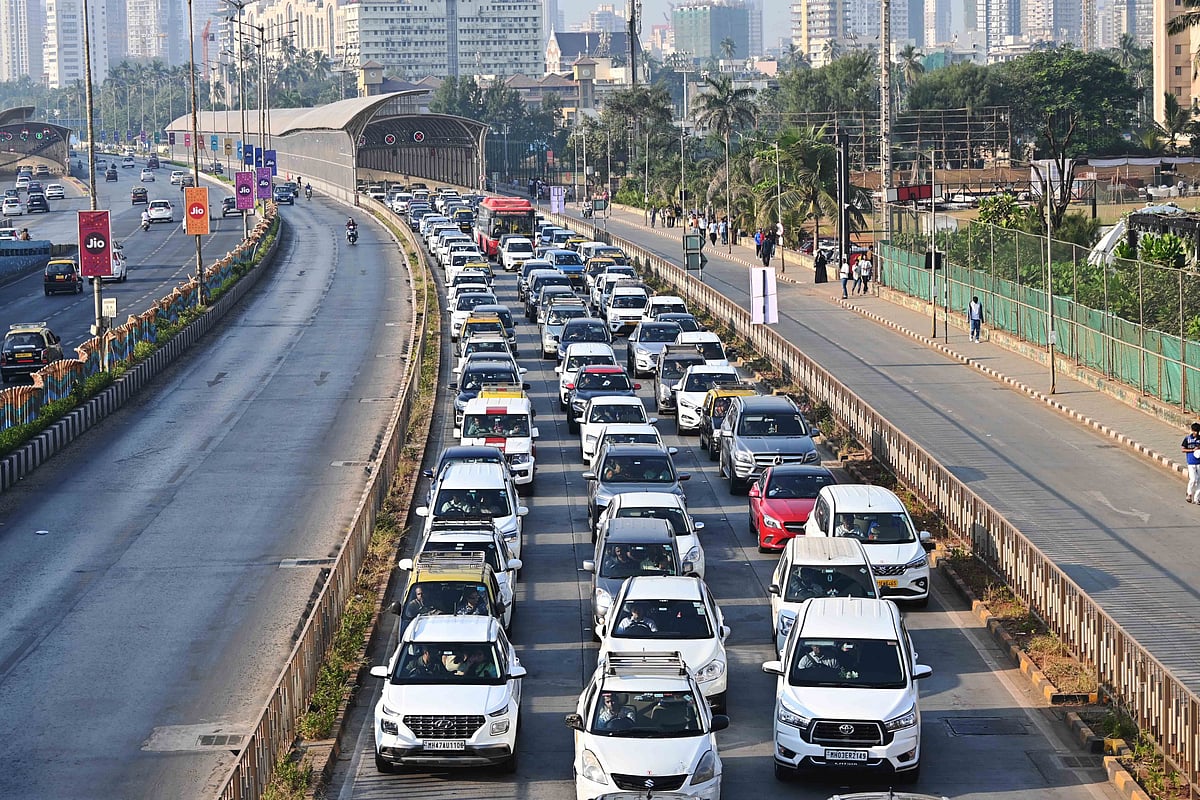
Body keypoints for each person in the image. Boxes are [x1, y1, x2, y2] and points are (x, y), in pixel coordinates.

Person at [1183, 422, 1200, 503]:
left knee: (1199, 480)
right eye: (1194, 431)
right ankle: (1189, 493)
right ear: (1192, 430)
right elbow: (1183, 449)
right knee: (1193, 479)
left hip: (1199, 462)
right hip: (1191, 462)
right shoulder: (1187, 439)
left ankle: (1197, 498)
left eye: (1197, 431)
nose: (1196, 433)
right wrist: (1192, 450)